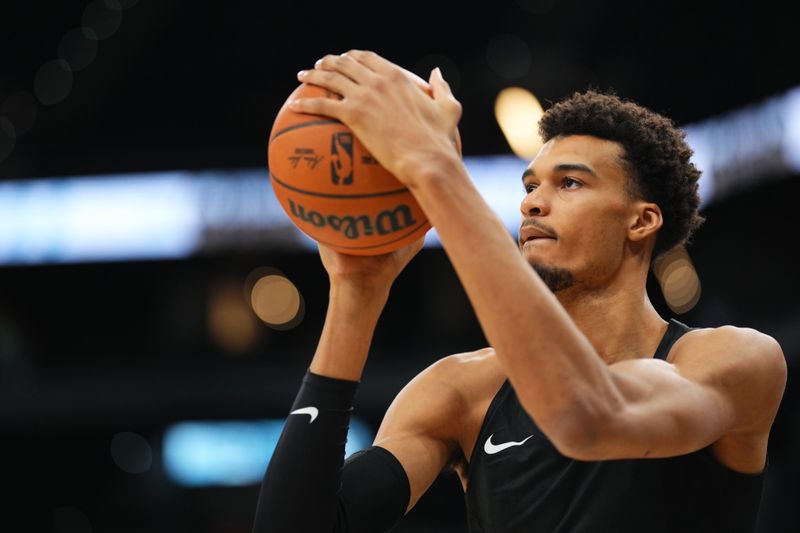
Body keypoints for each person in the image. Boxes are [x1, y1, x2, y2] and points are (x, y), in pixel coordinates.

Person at [251, 50, 787, 532]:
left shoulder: (734, 360)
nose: (532, 203)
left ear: (642, 222)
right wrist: (356, 293)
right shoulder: (463, 389)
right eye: (530, 185)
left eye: (569, 183)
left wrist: (434, 168)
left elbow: (588, 417)